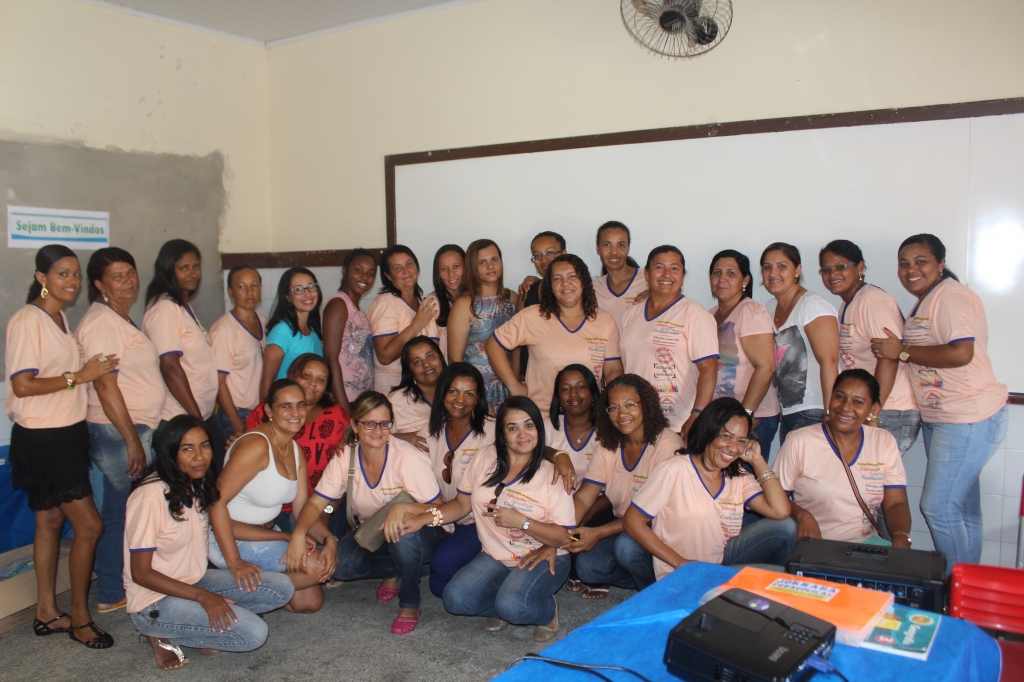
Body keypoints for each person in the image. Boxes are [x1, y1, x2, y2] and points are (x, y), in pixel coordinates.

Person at [871, 234, 1008, 568]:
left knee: (938, 508)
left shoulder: (950, 296)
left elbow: (961, 352)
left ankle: (951, 589)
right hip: (944, 417)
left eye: (921, 261)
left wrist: (902, 351)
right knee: (963, 510)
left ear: (941, 264)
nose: (911, 270)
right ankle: (967, 584)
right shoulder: (929, 299)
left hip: (967, 416)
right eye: (904, 264)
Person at [6, 245, 117, 648]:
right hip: (44, 438)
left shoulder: (59, 318)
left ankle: (47, 613)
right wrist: (79, 376)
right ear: (42, 278)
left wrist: (88, 372)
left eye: (75, 274)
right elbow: (23, 385)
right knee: (91, 526)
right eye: (62, 274)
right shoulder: (27, 320)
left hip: (67, 433)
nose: (71, 281)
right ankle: (81, 619)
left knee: (50, 522)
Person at [125, 415, 294, 670]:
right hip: (154, 600)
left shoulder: (197, 484)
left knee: (281, 588)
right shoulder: (149, 496)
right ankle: (160, 633)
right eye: (187, 449)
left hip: (193, 581)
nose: (199, 456)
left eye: (204, 446)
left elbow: (225, 521)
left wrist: (236, 563)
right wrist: (205, 598)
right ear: (170, 452)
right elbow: (141, 573)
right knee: (254, 634)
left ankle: (199, 623)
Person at [400, 396, 576, 642]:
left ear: (539, 428)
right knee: (455, 600)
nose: (522, 434)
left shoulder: (553, 474)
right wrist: (425, 518)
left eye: (529, 425)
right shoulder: (485, 457)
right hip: (495, 554)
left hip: (542, 555)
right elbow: (461, 505)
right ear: (502, 434)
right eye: (512, 428)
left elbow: (567, 537)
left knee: (512, 605)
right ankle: (505, 604)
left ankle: (545, 612)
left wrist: (523, 522)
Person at [285, 391, 447, 635]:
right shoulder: (345, 456)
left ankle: (410, 602)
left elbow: (439, 507)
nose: (377, 431)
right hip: (375, 532)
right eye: (369, 423)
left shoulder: (408, 458)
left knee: (402, 532)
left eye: (384, 423)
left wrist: (403, 508)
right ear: (355, 426)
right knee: (339, 565)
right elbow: (317, 503)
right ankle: (397, 568)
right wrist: (299, 534)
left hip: (425, 531)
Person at [77, 247, 164, 613]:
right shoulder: (101, 323)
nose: (127, 280)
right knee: (115, 514)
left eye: (130, 272)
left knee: (128, 511)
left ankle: (122, 581)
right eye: (117, 276)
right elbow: (104, 384)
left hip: (134, 427)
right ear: (99, 284)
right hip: (117, 432)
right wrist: (131, 439)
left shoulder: (119, 317)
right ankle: (111, 591)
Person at [623, 398, 796, 581]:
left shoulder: (739, 477)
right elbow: (632, 521)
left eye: (741, 441)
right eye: (726, 436)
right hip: (680, 571)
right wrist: (681, 563)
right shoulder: (674, 469)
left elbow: (781, 511)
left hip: (720, 563)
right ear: (709, 431)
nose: (733, 448)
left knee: (786, 528)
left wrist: (757, 461)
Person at [208, 379, 329, 614]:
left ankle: (255, 588)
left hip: (268, 533)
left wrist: (330, 540)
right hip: (230, 538)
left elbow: (302, 509)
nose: (295, 413)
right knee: (317, 568)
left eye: (300, 405)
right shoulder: (256, 445)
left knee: (309, 603)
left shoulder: (294, 450)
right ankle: (223, 587)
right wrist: (235, 562)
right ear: (268, 410)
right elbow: (215, 502)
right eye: (286, 406)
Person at [569, 374, 684, 595]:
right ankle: (652, 578)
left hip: (658, 528)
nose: (622, 414)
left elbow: (648, 516)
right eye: (613, 408)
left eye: (630, 405)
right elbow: (584, 496)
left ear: (646, 405)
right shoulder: (609, 444)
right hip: (622, 524)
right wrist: (563, 529)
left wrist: (598, 533)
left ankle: (657, 594)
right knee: (587, 568)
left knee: (627, 548)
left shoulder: (667, 445)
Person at [776, 370, 912, 546]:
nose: (846, 407)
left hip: (865, 546)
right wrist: (803, 516)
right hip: (813, 546)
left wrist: (902, 536)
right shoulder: (799, 440)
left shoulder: (884, 441)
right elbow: (775, 497)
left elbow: (896, 502)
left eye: (858, 402)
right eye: (840, 397)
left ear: (873, 408)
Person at [487, 253, 623, 415]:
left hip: (589, 416)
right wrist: (514, 386)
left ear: (584, 282)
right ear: (550, 286)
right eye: (557, 278)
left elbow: (613, 370)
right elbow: (493, 344)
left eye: (572, 276)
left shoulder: (604, 320)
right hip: (542, 416)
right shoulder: (532, 316)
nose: (565, 283)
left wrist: (613, 403)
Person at [819, 240, 920, 454]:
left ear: (860, 267)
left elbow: (889, 357)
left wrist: (873, 412)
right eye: (826, 270)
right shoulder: (849, 303)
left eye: (840, 267)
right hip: (870, 409)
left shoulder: (872, 301)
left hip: (889, 410)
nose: (832, 274)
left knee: (874, 474)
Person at [620, 246, 719, 440]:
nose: (667, 274)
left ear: (683, 276)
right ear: (647, 274)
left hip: (678, 424)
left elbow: (709, 369)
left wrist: (697, 414)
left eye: (675, 268)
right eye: (659, 267)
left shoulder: (695, 314)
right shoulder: (631, 313)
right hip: (635, 422)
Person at [245, 354, 350, 535]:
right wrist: (260, 510)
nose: (312, 383)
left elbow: (349, 472)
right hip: (272, 509)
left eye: (320, 380)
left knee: (327, 549)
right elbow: (245, 464)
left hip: (324, 507)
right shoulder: (265, 412)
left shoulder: (338, 417)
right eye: (306, 376)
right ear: (292, 375)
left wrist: (327, 511)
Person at [416, 363, 495, 597]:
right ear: (443, 393)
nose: (460, 399)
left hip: (481, 521)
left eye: (469, 394)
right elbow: (399, 451)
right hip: (448, 520)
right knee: (438, 587)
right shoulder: (432, 429)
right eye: (453, 391)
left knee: (442, 566)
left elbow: (532, 445)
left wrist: (559, 456)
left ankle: (497, 566)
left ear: (478, 399)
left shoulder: (492, 431)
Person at [143, 239, 220, 450]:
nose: (192, 273)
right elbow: (170, 368)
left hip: (198, 414)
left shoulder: (181, 304)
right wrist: (197, 420)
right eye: (183, 268)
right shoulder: (164, 308)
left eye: (195, 266)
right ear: (168, 270)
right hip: (179, 417)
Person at [761, 242, 839, 444]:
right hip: (789, 412)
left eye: (781, 266)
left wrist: (830, 415)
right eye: (767, 267)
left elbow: (830, 361)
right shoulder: (770, 307)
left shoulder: (812, 305)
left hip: (815, 411)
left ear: (797, 270)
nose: (773, 273)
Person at [547, 364, 613, 595]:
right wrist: (558, 454)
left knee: (579, 544)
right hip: (555, 506)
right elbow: (532, 452)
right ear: (558, 396)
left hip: (600, 505)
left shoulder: (609, 430)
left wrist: (591, 509)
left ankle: (583, 566)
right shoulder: (547, 427)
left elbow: (619, 489)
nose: (573, 394)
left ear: (593, 393)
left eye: (581, 387)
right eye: (565, 389)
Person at [708, 249, 781, 457]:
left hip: (754, 418)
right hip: (721, 418)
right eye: (717, 273)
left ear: (745, 280)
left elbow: (766, 367)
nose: (722, 279)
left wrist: (746, 415)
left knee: (745, 476)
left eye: (731, 273)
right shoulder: (709, 315)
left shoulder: (750, 311)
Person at [447, 239, 519, 411]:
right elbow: (455, 360)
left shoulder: (512, 298)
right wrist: (477, 397)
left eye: (494, 259)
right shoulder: (464, 304)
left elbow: (518, 348)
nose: (490, 266)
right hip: (477, 391)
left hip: (510, 387)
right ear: (473, 268)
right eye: (482, 262)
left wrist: (515, 384)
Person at [369, 245, 441, 393]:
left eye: (409, 264)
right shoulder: (385, 302)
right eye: (398, 268)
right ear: (388, 275)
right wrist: (415, 325)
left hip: (423, 389)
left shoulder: (424, 303)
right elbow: (384, 356)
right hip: (393, 389)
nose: (406, 271)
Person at [210, 264, 267, 448]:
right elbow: (218, 382)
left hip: (261, 412)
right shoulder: (223, 329)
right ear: (230, 292)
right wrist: (236, 422)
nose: (249, 292)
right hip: (236, 413)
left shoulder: (264, 322)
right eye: (241, 286)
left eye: (254, 285)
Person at [322, 248, 377, 412]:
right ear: (345, 270)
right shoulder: (338, 305)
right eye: (358, 270)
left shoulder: (359, 310)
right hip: (344, 400)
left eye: (371, 273)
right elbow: (330, 359)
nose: (364, 278)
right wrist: (343, 410)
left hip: (360, 400)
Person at [260, 267, 323, 396]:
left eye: (311, 286)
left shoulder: (312, 329)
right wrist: (267, 409)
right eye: (298, 289)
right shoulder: (281, 332)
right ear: (287, 297)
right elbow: (266, 383)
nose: (307, 294)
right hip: (287, 404)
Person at [515, 231, 567, 378]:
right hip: (531, 377)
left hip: (566, 377)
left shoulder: (576, 292)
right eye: (537, 255)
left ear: (564, 254)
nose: (544, 260)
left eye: (550, 253)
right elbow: (517, 343)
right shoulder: (527, 292)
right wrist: (515, 379)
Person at [389, 336, 447, 445]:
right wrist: (404, 438)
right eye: (417, 362)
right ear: (410, 371)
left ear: (440, 358)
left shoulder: (458, 394)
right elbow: (372, 437)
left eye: (430, 356)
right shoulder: (395, 401)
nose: (426, 364)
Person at [592, 221, 647, 328]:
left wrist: (656, 296)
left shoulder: (648, 280)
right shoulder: (593, 288)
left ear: (628, 248)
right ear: (598, 248)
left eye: (620, 245)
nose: (614, 252)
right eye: (607, 245)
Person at [427, 244, 465, 359]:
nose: (451, 274)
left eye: (456, 266)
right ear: (438, 274)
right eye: (444, 269)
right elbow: (431, 352)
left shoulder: (476, 299)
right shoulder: (432, 303)